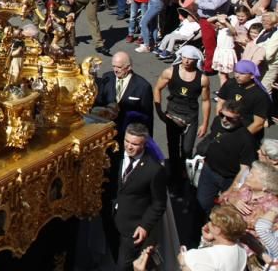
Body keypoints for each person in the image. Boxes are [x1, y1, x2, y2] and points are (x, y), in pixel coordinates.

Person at [106, 123, 167, 269]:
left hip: (133, 228)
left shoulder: (154, 169)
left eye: (134, 144)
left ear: (144, 144)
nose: (129, 146)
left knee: (123, 266)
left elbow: (159, 203)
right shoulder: (116, 157)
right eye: (126, 141)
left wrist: (145, 226)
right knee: (113, 255)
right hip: (112, 219)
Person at [154, 45, 211, 183]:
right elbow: (157, 88)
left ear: (195, 60)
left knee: (187, 149)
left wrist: (204, 124)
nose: (186, 61)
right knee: (172, 147)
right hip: (173, 114)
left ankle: (185, 174)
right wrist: (159, 111)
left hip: (191, 117)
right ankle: (173, 174)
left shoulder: (202, 79)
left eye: (190, 59)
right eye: (184, 57)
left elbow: (206, 101)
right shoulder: (169, 72)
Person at [197, 101, 259, 217]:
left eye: (230, 118)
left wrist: (231, 190)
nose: (224, 120)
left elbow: (244, 169)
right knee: (202, 203)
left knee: (226, 209)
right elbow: (213, 137)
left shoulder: (246, 139)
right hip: (208, 171)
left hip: (229, 179)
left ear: (240, 118)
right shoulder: (217, 121)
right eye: (222, 115)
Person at [94, 52, 155, 140]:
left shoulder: (143, 86)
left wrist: (147, 141)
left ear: (129, 67)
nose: (115, 70)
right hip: (107, 133)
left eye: (119, 67)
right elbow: (99, 101)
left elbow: (147, 117)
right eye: (113, 66)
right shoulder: (107, 77)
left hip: (128, 135)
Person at [177, 204, 248, 271]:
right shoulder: (241, 250)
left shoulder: (198, 255)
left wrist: (183, 256)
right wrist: (206, 240)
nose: (208, 223)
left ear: (218, 230)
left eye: (210, 221)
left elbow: (182, 259)